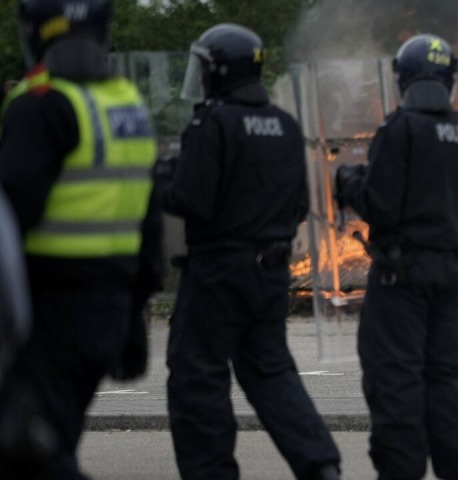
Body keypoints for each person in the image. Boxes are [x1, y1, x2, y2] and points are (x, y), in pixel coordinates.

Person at [162, 23, 341, 480]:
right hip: (270, 273)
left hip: (218, 272)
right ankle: (319, 464)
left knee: (197, 377)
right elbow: (301, 203)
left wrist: (164, 177)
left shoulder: (212, 121)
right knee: (270, 371)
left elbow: (191, 200)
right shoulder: (284, 125)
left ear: (221, 69)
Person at [0, 0, 162, 478]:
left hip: (46, 313)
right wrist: (133, 318)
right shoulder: (125, 103)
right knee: (50, 439)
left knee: (31, 452)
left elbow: (9, 219)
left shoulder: (40, 103)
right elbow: (148, 223)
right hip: (106, 311)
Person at [335, 33, 458, 480]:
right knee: (446, 376)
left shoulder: (398, 128)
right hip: (452, 276)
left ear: (403, 81)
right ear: (449, 81)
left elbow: (380, 204)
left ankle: (401, 471)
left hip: (400, 279)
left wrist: (348, 181)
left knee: (395, 378)